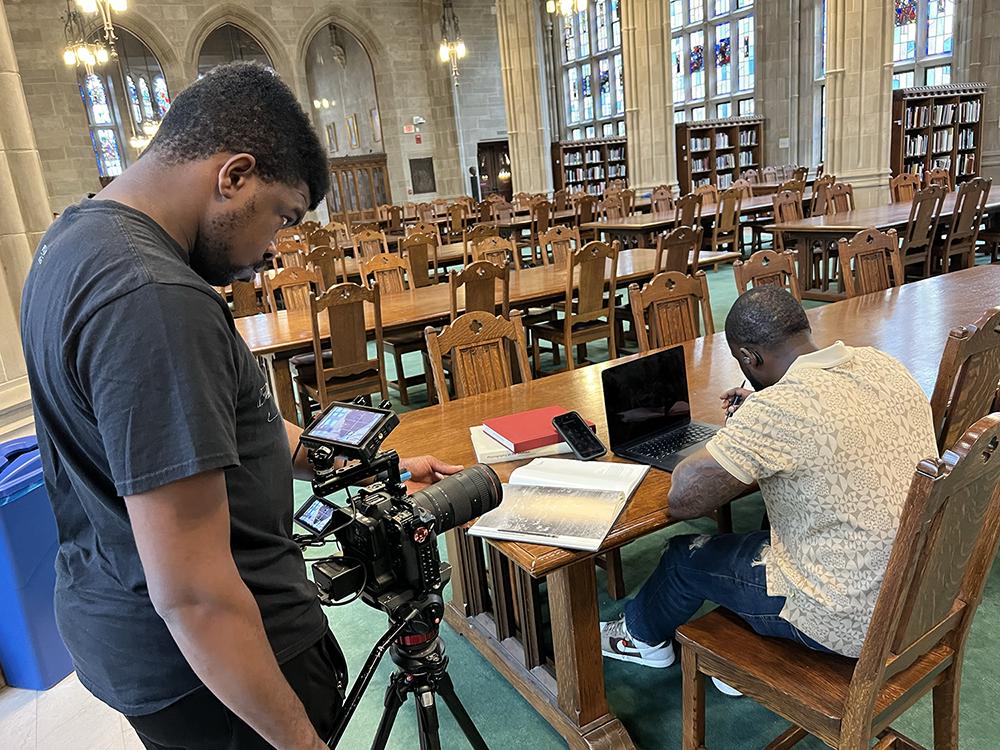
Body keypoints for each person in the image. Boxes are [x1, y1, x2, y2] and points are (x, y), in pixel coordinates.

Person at [20, 62, 461, 750]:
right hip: (219, 669)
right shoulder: (156, 298)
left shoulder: (73, 237)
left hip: (119, 619)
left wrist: (364, 468)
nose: (272, 250)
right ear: (235, 175)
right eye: (282, 217)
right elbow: (194, 594)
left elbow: (228, 423)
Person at [599, 286, 937, 676]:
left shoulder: (778, 409)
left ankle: (638, 637)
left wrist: (750, 421)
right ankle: (745, 638)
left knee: (682, 557)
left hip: (850, 618)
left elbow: (684, 500)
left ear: (749, 357)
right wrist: (761, 412)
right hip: (916, 588)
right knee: (760, 532)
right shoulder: (881, 363)